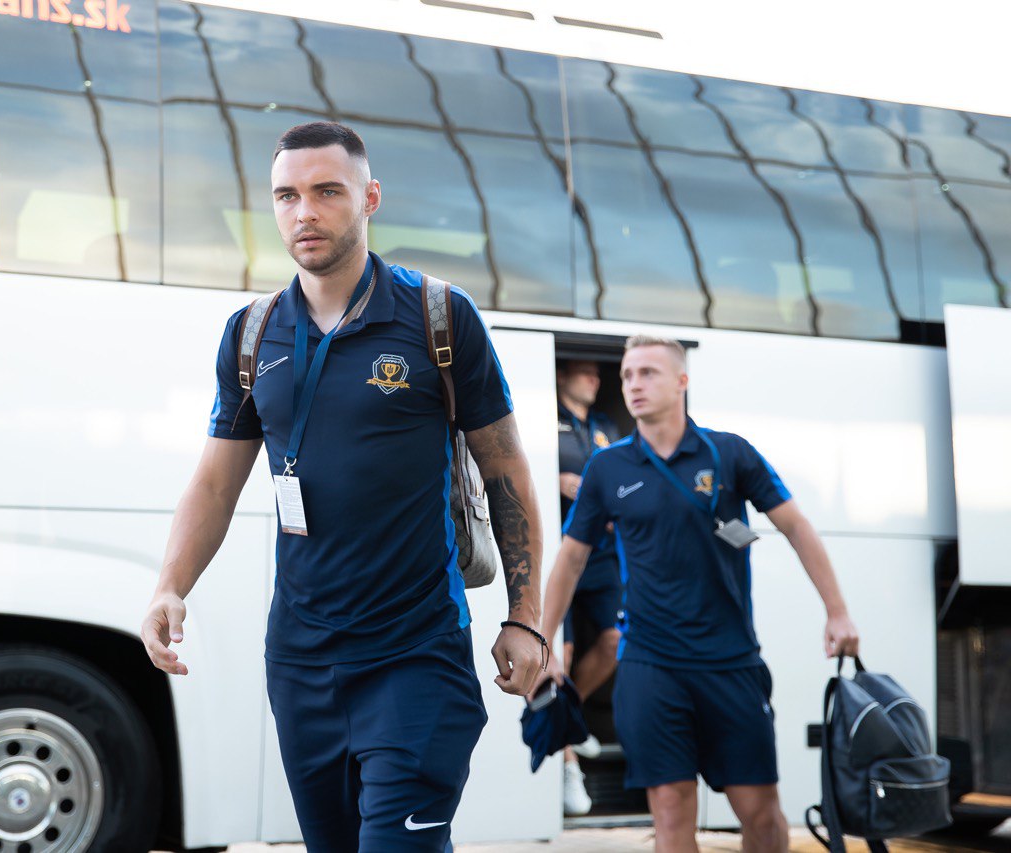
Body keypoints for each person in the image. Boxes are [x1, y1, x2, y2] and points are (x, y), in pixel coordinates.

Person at [140, 121, 545, 853]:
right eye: (287, 196)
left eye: (327, 191)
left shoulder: (438, 316)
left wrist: (526, 615)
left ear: (370, 197)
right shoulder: (250, 332)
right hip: (301, 662)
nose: (305, 212)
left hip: (416, 654)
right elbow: (215, 482)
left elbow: (506, 470)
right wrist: (170, 585)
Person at [540, 335, 860, 853]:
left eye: (648, 373)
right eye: (627, 375)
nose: (633, 384)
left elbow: (797, 527)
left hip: (729, 662)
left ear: (681, 381)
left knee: (761, 815)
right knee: (669, 814)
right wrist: (545, 641)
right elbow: (571, 559)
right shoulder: (608, 467)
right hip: (649, 665)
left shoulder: (729, 453)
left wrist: (837, 612)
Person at [555, 358, 621, 816]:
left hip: (603, 554)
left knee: (617, 641)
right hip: (560, 553)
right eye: (584, 371)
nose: (595, 378)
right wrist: (553, 479)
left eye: (598, 373)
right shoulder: (547, 422)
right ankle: (569, 766)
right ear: (562, 375)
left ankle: (570, 717)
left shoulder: (606, 427)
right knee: (561, 656)